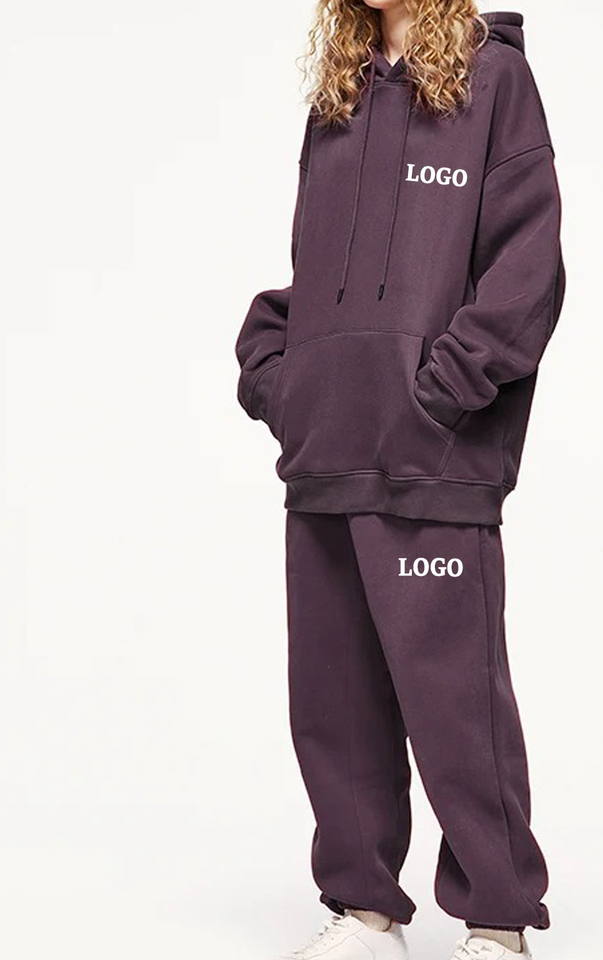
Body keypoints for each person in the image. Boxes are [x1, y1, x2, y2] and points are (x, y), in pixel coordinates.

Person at [236, 1, 565, 957]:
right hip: (326, 450)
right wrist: (283, 378)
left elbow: (528, 269)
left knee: (456, 702)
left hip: (433, 456)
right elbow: (315, 273)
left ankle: (498, 920)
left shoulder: (495, 79)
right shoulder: (336, 98)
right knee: (332, 702)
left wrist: (442, 393)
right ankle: (365, 911)